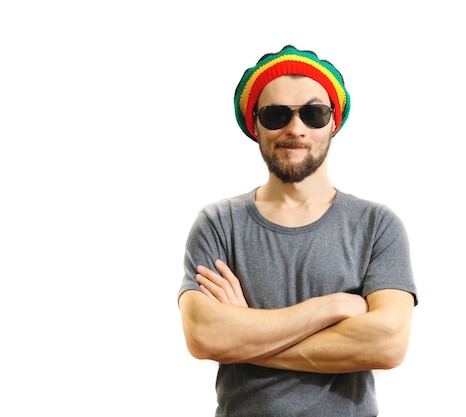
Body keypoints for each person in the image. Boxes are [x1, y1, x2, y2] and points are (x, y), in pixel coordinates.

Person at [178, 44, 418, 417]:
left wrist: (244, 336)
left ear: (333, 122)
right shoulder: (218, 223)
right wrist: (333, 307)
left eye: (313, 113)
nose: (296, 129)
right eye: (276, 115)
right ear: (255, 125)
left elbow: (387, 343)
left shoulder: (377, 225)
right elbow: (203, 335)